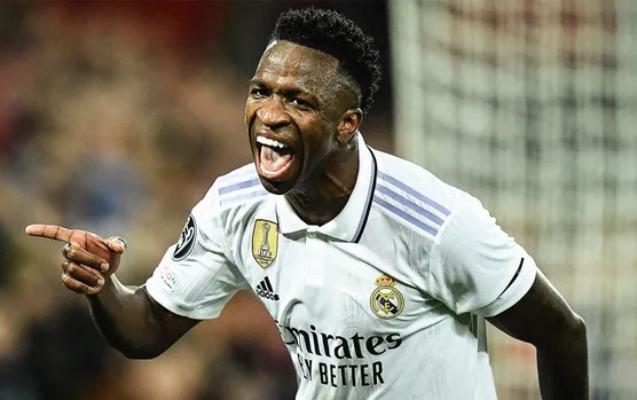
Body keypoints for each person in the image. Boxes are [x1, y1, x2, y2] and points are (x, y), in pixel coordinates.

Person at [25, 8, 588, 400]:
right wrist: (103, 286)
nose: (269, 114)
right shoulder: (232, 206)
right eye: (260, 91)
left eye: (298, 100)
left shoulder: (433, 222)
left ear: (347, 124)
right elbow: (146, 330)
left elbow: (562, 333)